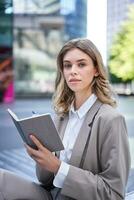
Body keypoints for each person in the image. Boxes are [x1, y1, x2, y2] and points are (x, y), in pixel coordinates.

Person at [0, 38, 130, 200]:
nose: (72, 71)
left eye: (81, 64)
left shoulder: (111, 120)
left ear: (96, 69)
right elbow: (45, 180)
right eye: (67, 65)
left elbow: (114, 194)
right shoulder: (61, 117)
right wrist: (42, 158)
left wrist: (58, 167)